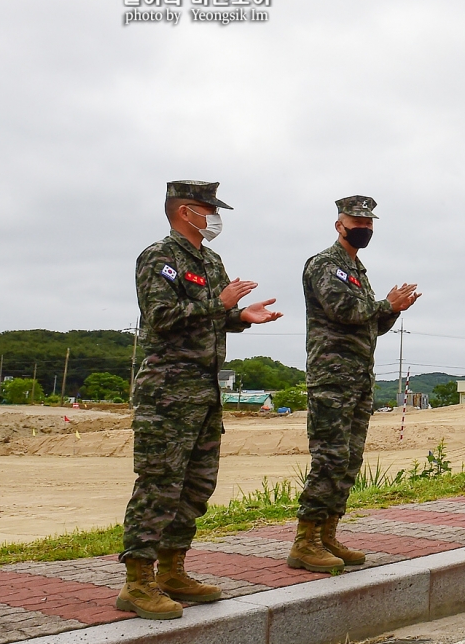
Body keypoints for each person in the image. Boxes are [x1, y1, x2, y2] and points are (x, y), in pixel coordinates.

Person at [117, 181, 282, 620]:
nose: (215, 216)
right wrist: (220, 301)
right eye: (209, 208)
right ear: (186, 211)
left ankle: (172, 571)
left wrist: (242, 315)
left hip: (204, 395)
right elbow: (161, 317)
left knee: (195, 487)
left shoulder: (211, 260)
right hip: (167, 394)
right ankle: (137, 582)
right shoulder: (159, 257)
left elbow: (216, 314)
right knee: (159, 485)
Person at [289, 196, 420, 573]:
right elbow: (344, 311)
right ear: (339, 225)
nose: (364, 228)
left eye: (369, 222)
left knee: (348, 461)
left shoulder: (357, 269)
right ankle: (305, 540)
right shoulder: (325, 264)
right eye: (356, 221)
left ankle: (327, 533)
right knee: (329, 459)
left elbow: (371, 324)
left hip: (358, 378)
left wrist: (393, 310)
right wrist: (386, 305)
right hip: (332, 378)